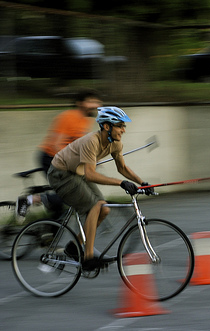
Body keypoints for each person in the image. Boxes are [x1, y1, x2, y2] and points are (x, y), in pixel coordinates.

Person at [47, 106, 152, 271]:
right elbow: (90, 175)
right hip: (61, 174)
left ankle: (74, 247)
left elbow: (122, 168)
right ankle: (87, 258)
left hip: (77, 173)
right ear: (106, 126)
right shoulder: (92, 141)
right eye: (120, 126)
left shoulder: (116, 144)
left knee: (104, 210)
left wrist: (143, 183)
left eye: (125, 126)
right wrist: (121, 183)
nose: (123, 130)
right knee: (94, 206)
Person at [16, 89, 102, 220]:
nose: (96, 104)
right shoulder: (68, 117)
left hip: (64, 159)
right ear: (80, 103)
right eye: (91, 101)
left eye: (96, 101)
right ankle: (30, 200)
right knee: (72, 193)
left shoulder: (85, 120)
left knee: (63, 205)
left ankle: (49, 235)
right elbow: (56, 144)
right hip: (51, 157)